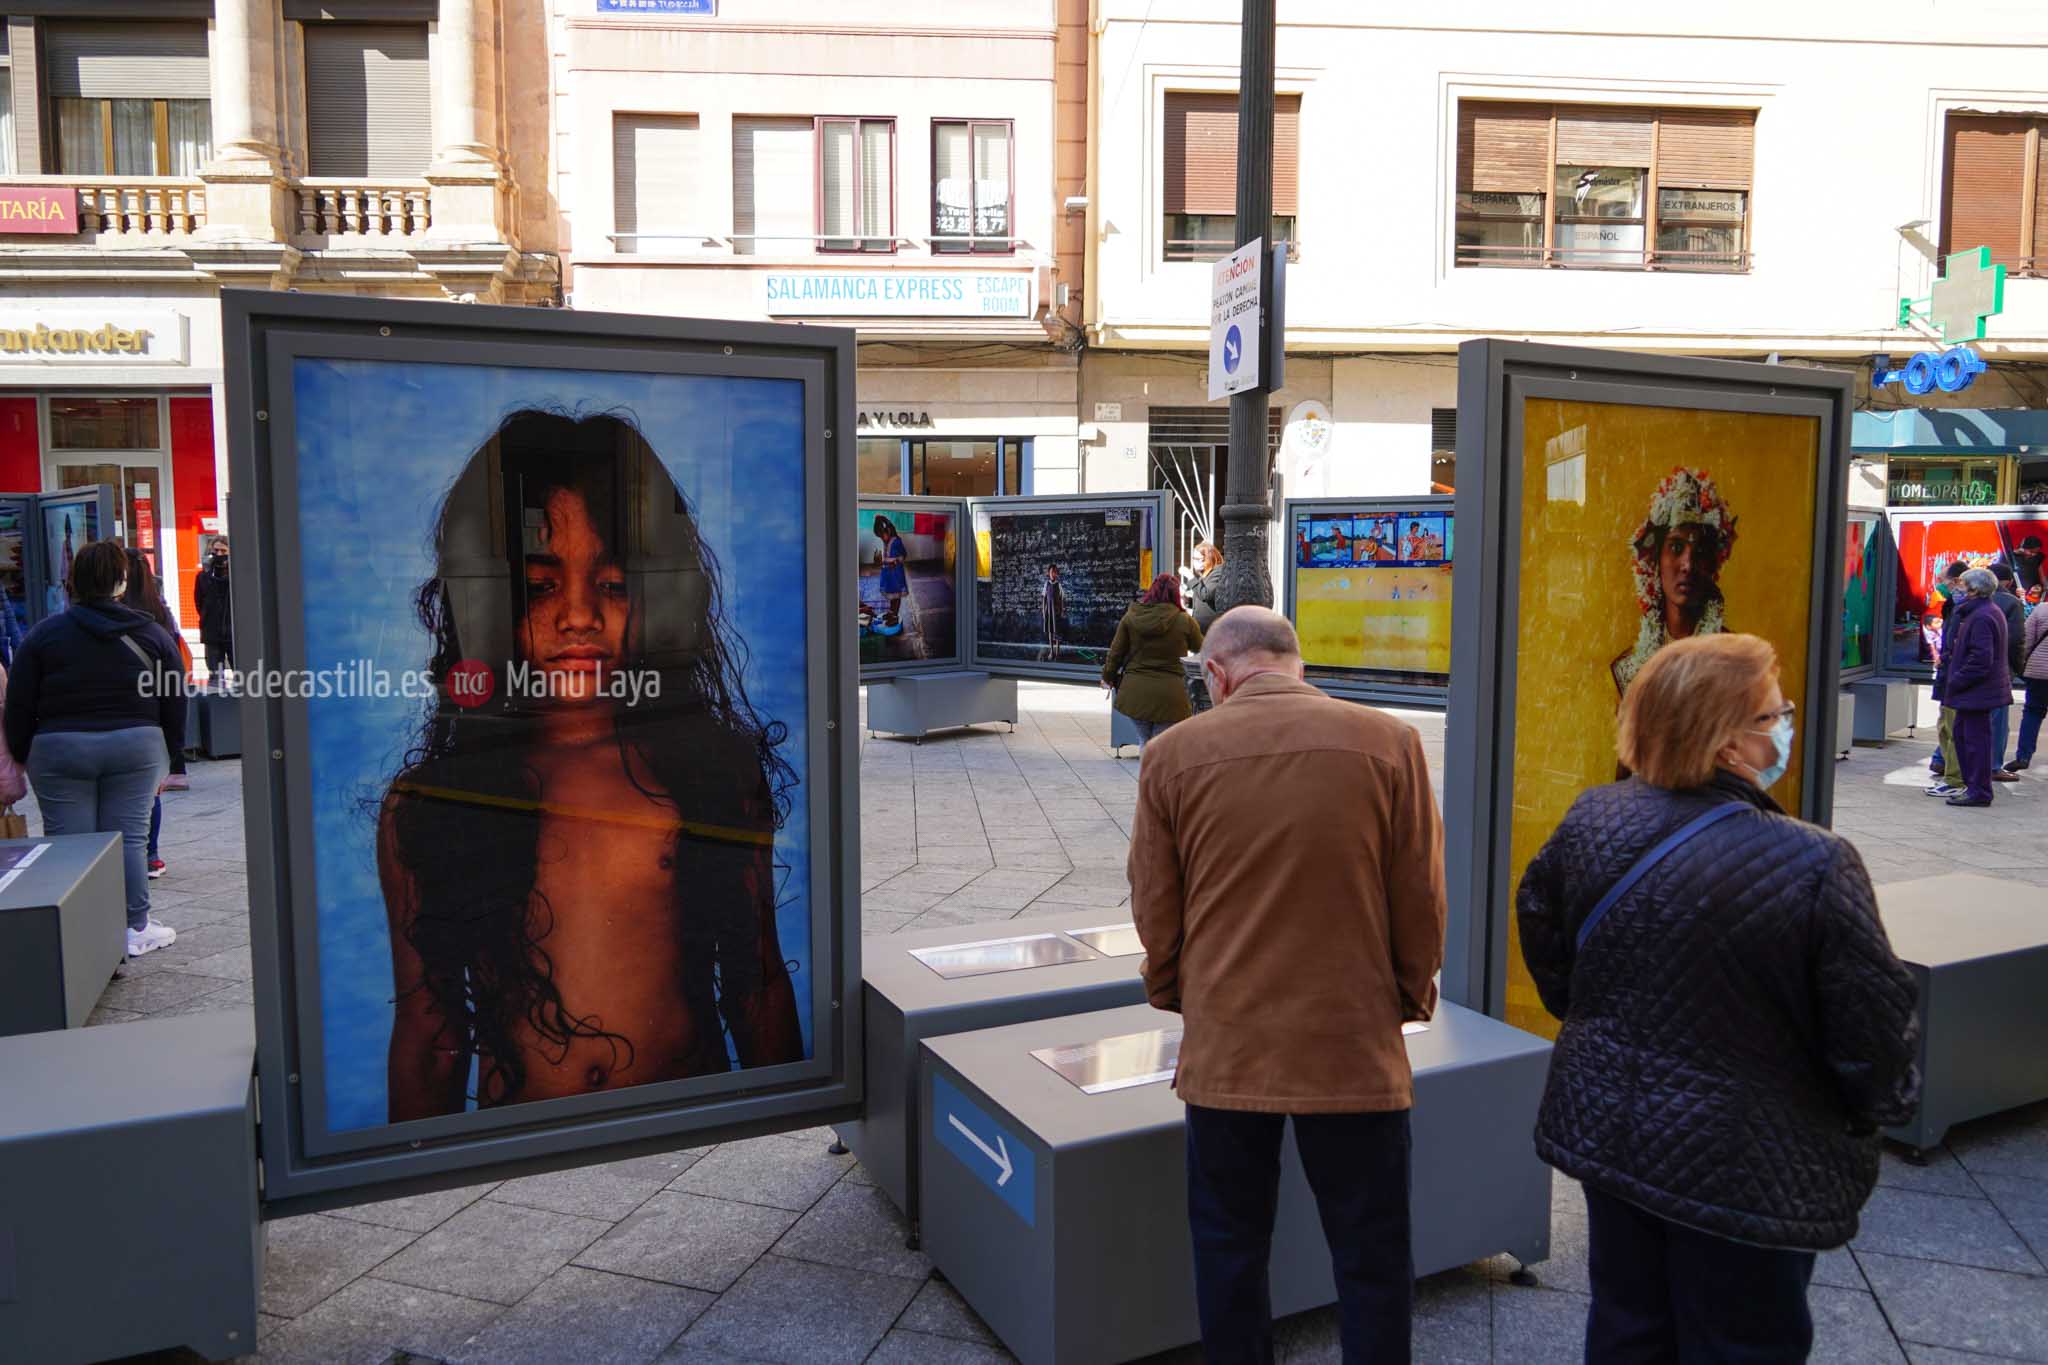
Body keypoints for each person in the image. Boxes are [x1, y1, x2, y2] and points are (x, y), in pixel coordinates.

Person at [378, 409, 802, 1120]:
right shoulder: (432, 806)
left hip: (682, 1130)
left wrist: (791, 1131)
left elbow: (756, 981)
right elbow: (430, 1033)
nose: (579, 616)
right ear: (484, 600)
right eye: (542, 587)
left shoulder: (706, 774)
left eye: (610, 585)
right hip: (521, 1147)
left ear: (659, 599)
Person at [1519, 633, 1919, 1364]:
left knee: (1627, 1324)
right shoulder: (1814, 860)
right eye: (1774, 715)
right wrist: (1869, 1109)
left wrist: (1604, 1021)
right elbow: (1875, 1032)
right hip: (1746, 1165)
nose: (1787, 725)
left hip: (1614, 1133)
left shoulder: (1594, 818)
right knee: (1744, 1338)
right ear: (1725, 740)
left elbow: (1546, 941)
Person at [1128, 606, 1446, 1362]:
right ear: (1296, 663)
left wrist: (1182, 996)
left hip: (1230, 1045)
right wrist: (1401, 1000)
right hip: (1353, 1043)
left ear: (1216, 672)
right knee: (1372, 1254)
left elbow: (1156, 912)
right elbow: (1421, 903)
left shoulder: (1171, 756)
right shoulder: (1392, 743)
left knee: (1230, 1247)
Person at [5, 539, 187, 957]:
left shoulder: (43, 636)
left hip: (59, 747)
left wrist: (22, 751)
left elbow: (19, 700)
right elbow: (175, 698)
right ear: (121, 583)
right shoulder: (152, 634)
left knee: (69, 843)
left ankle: (79, 935)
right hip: (135, 745)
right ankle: (134, 926)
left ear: (73, 583)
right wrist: (171, 756)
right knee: (128, 840)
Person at [1611, 468, 1737, 695]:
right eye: (1676, 548)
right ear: (1655, 560)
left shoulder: (1736, 663)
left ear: (1711, 564)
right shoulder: (1630, 670)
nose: (1687, 564)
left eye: (1699, 552)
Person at [121, 548, 193, 872]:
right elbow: (174, 685)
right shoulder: (158, 617)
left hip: (112, 717)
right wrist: (173, 747)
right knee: (149, 793)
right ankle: (149, 855)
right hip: (147, 719)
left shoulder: (100, 618)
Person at [1102, 574, 1204, 758]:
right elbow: (1201, 648)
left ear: (1152, 591)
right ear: (1175, 594)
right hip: (1171, 696)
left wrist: (1107, 678)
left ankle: (1147, 782)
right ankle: (1156, 783)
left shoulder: (1131, 617)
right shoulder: (1185, 621)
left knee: (1144, 740)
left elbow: (1115, 653)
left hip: (1135, 693)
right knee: (1160, 744)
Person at [1942, 568, 2013, 809]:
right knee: (1965, 738)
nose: (1957, 588)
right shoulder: (1982, 612)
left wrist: (1957, 680)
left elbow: (1981, 659)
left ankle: (1979, 791)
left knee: (1974, 742)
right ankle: (1974, 788)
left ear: (1974, 590)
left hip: (1976, 692)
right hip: (1975, 692)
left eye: (1962, 585)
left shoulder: (1982, 616)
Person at [1927, 560, 1970, 797]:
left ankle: (1955, 779)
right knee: (1944, 725)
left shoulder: (1969, 610)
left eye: (1943, 581)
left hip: (1955, 676)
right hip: (1949, 674)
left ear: (1956, 581)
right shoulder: (1954, 606)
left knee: (1953, 728)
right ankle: (1950, 775)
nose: (1940, 585)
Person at [1990, 563, 2027, 780]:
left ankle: (1942, 759)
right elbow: (2015, 641)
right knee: (1998, 719)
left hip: (1970, 670)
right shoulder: (2011, 603)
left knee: (1963, 716)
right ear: (2009, 582)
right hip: (1998, 671)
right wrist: (2020, 669)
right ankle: (1994, 766)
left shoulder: (1967, 601)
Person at [2008, 581, 2048, 773]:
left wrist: (2020, 665)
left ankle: (2023, 756)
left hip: (2038, 672)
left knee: (2032, 712)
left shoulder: (2041, 610)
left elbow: (2026, 640)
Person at [194, 536, 233, 681]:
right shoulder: (203, 577)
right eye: (216, 550)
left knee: (241, 672)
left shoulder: (236, 575)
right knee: (215, 675)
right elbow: (199, 602)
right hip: (212, 632)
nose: (219, 554)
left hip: (233, 632)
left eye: (223, 551)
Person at [871, 515, 909, 635]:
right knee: (892, 595)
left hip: (896, 574)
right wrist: (880, 562)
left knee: (896, 596)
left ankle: (895, 616)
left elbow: (904, 554)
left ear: (888, 531)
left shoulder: (896, 541)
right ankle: (892, 612)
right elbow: (887, 557)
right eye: (880, 537)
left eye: (882, 536)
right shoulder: (886, 541)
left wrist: (896, 561)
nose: (882, 539)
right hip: (888, 573)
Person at [1187, 542, 1225, 631]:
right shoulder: (1205, 574)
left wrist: (1190, 577)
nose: (1195, 562)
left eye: (1198, 559)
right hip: (1202, 626)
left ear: (1209, 558)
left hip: (1210, 627)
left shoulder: (1218, 572)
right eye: (1194, 559)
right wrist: (1188, 600)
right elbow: (1201, 598)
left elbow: (1206, 595)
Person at [1040, 563, 1066, 662]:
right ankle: (1052, 651)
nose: (1053, 574)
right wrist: (1043, 610)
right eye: (1051, 572)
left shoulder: (1058, 585)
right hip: (1049, 612)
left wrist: (1063, 610)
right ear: (1049, 573)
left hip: (1057, 612)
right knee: (1050, 632)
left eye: (1054, 572)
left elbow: (1063, 598)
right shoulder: (1046, 584)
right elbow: (1044, 598)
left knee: (1057, 632)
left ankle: (1057, 651)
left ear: (1056, 573)